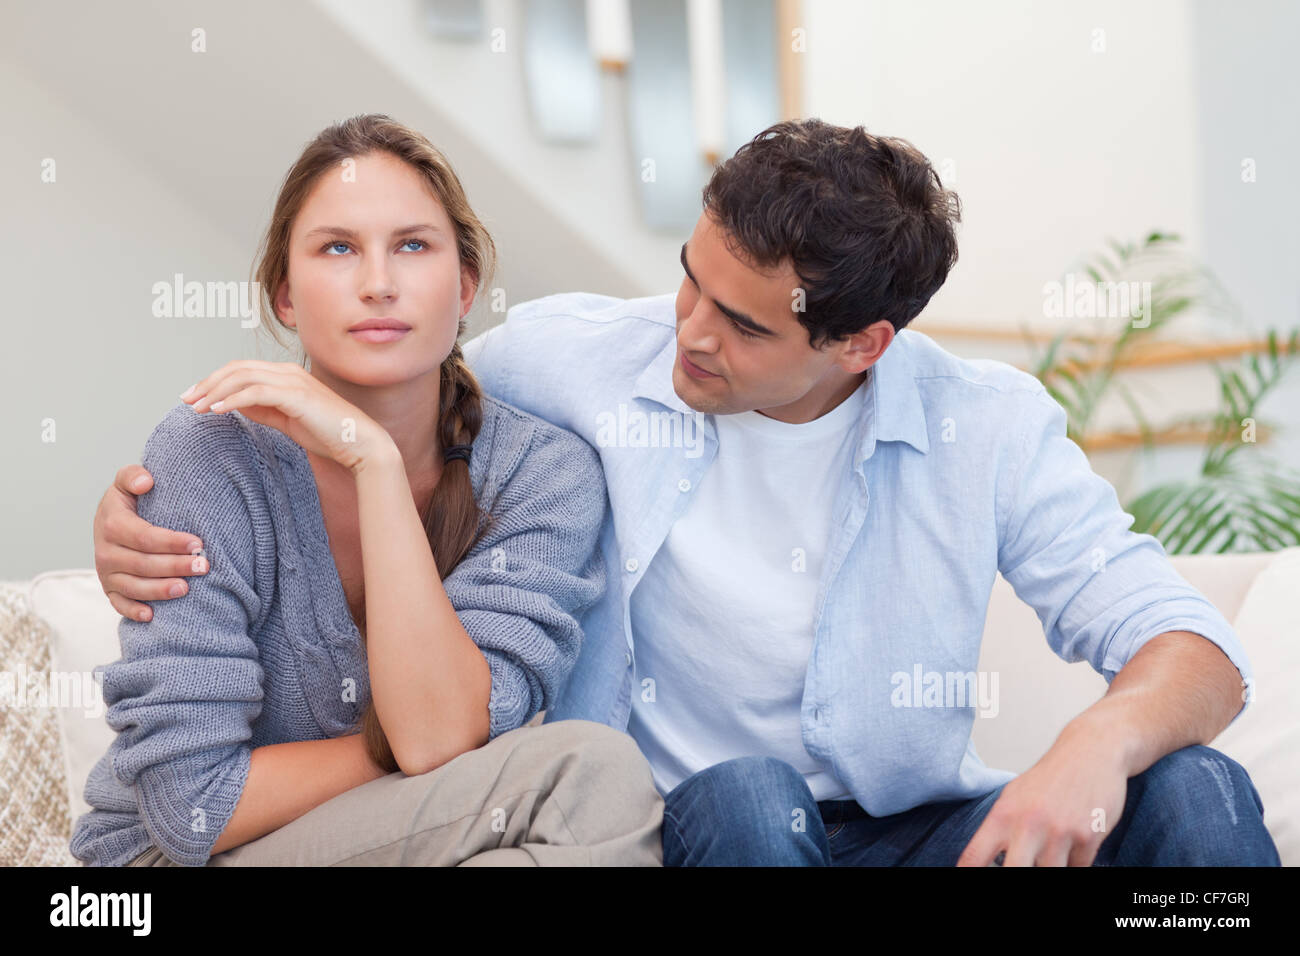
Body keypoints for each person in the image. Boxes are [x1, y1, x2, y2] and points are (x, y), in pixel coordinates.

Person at [91, 118, 1280, 867]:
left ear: (861, 344)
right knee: (752, 798)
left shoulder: (986, 427)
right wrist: (136, 514)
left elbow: (1195, 649)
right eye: (686, 281)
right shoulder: (566, 365)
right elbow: (384, 396)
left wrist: (1097, 739)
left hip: (916, 829)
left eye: (743, 324)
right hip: (700, 823)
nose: (686, 334)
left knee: (1194, 787)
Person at [71, 113, 663, 867]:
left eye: (413, 246)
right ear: (285, 298)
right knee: (589, 774)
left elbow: (437, 738)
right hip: (173, 869)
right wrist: (424, 753)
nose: (379, 284)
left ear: (466, 289)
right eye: (339, 248)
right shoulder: (209, 453)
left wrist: (372, 465)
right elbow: (197, 810)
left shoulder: (540, 473)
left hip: (400, 840)